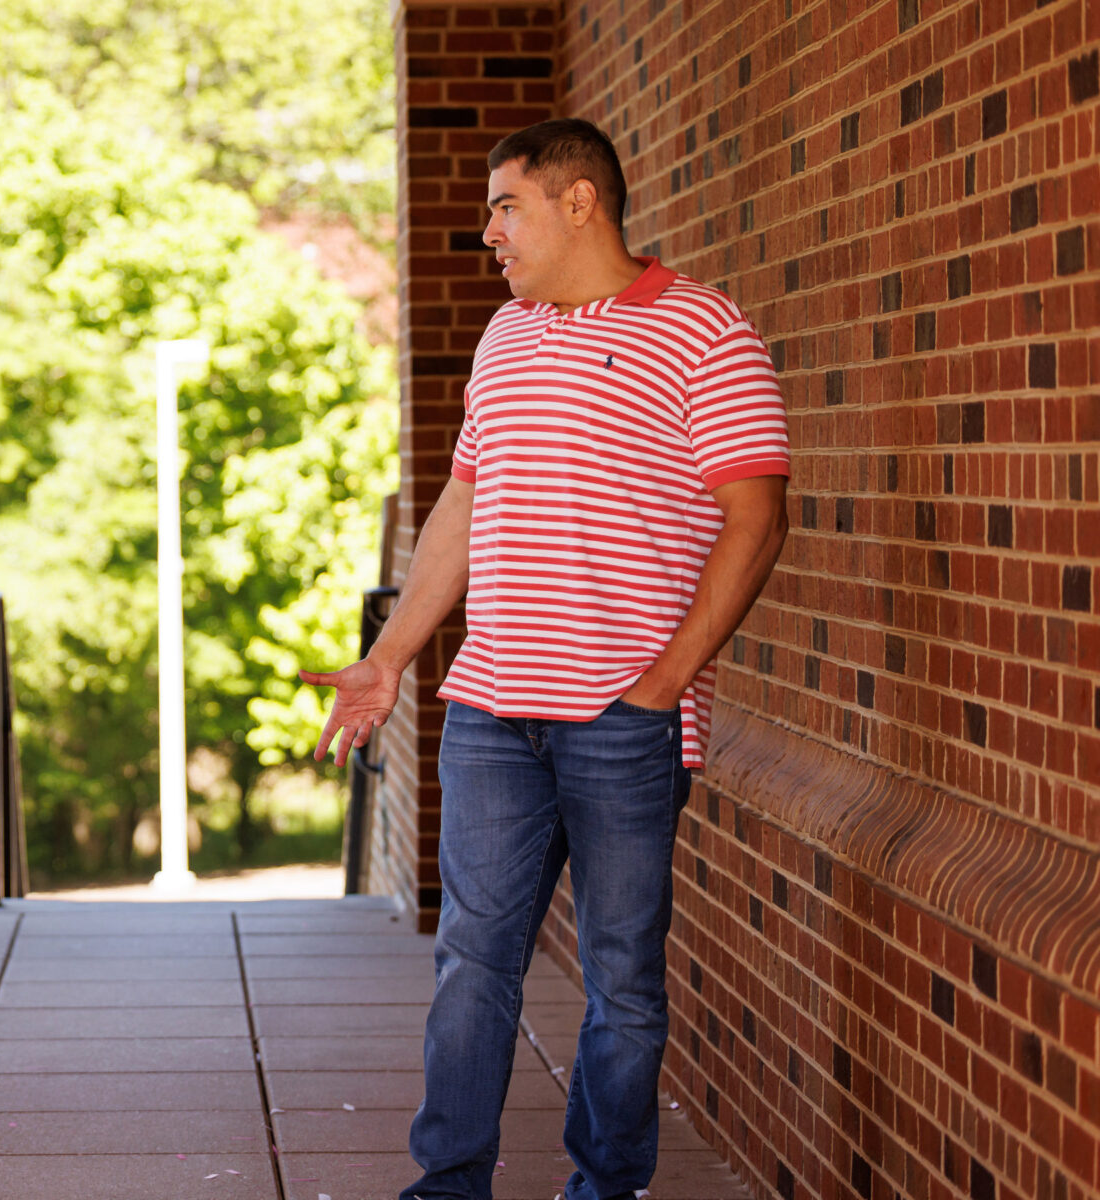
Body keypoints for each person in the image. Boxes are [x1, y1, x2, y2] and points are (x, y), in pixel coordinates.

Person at [302, 119, 790, 1200]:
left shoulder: (707, 332)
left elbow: (755, 520)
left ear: (581, 204)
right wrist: (391, 658)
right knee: (474, 959)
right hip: (490, 713)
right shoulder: (506, 338)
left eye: (506, 207)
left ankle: (605, 1188)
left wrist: (658, 687)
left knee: (621, 977)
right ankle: (449, 1184)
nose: (488, 234)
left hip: (624, 720)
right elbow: (463, 509)